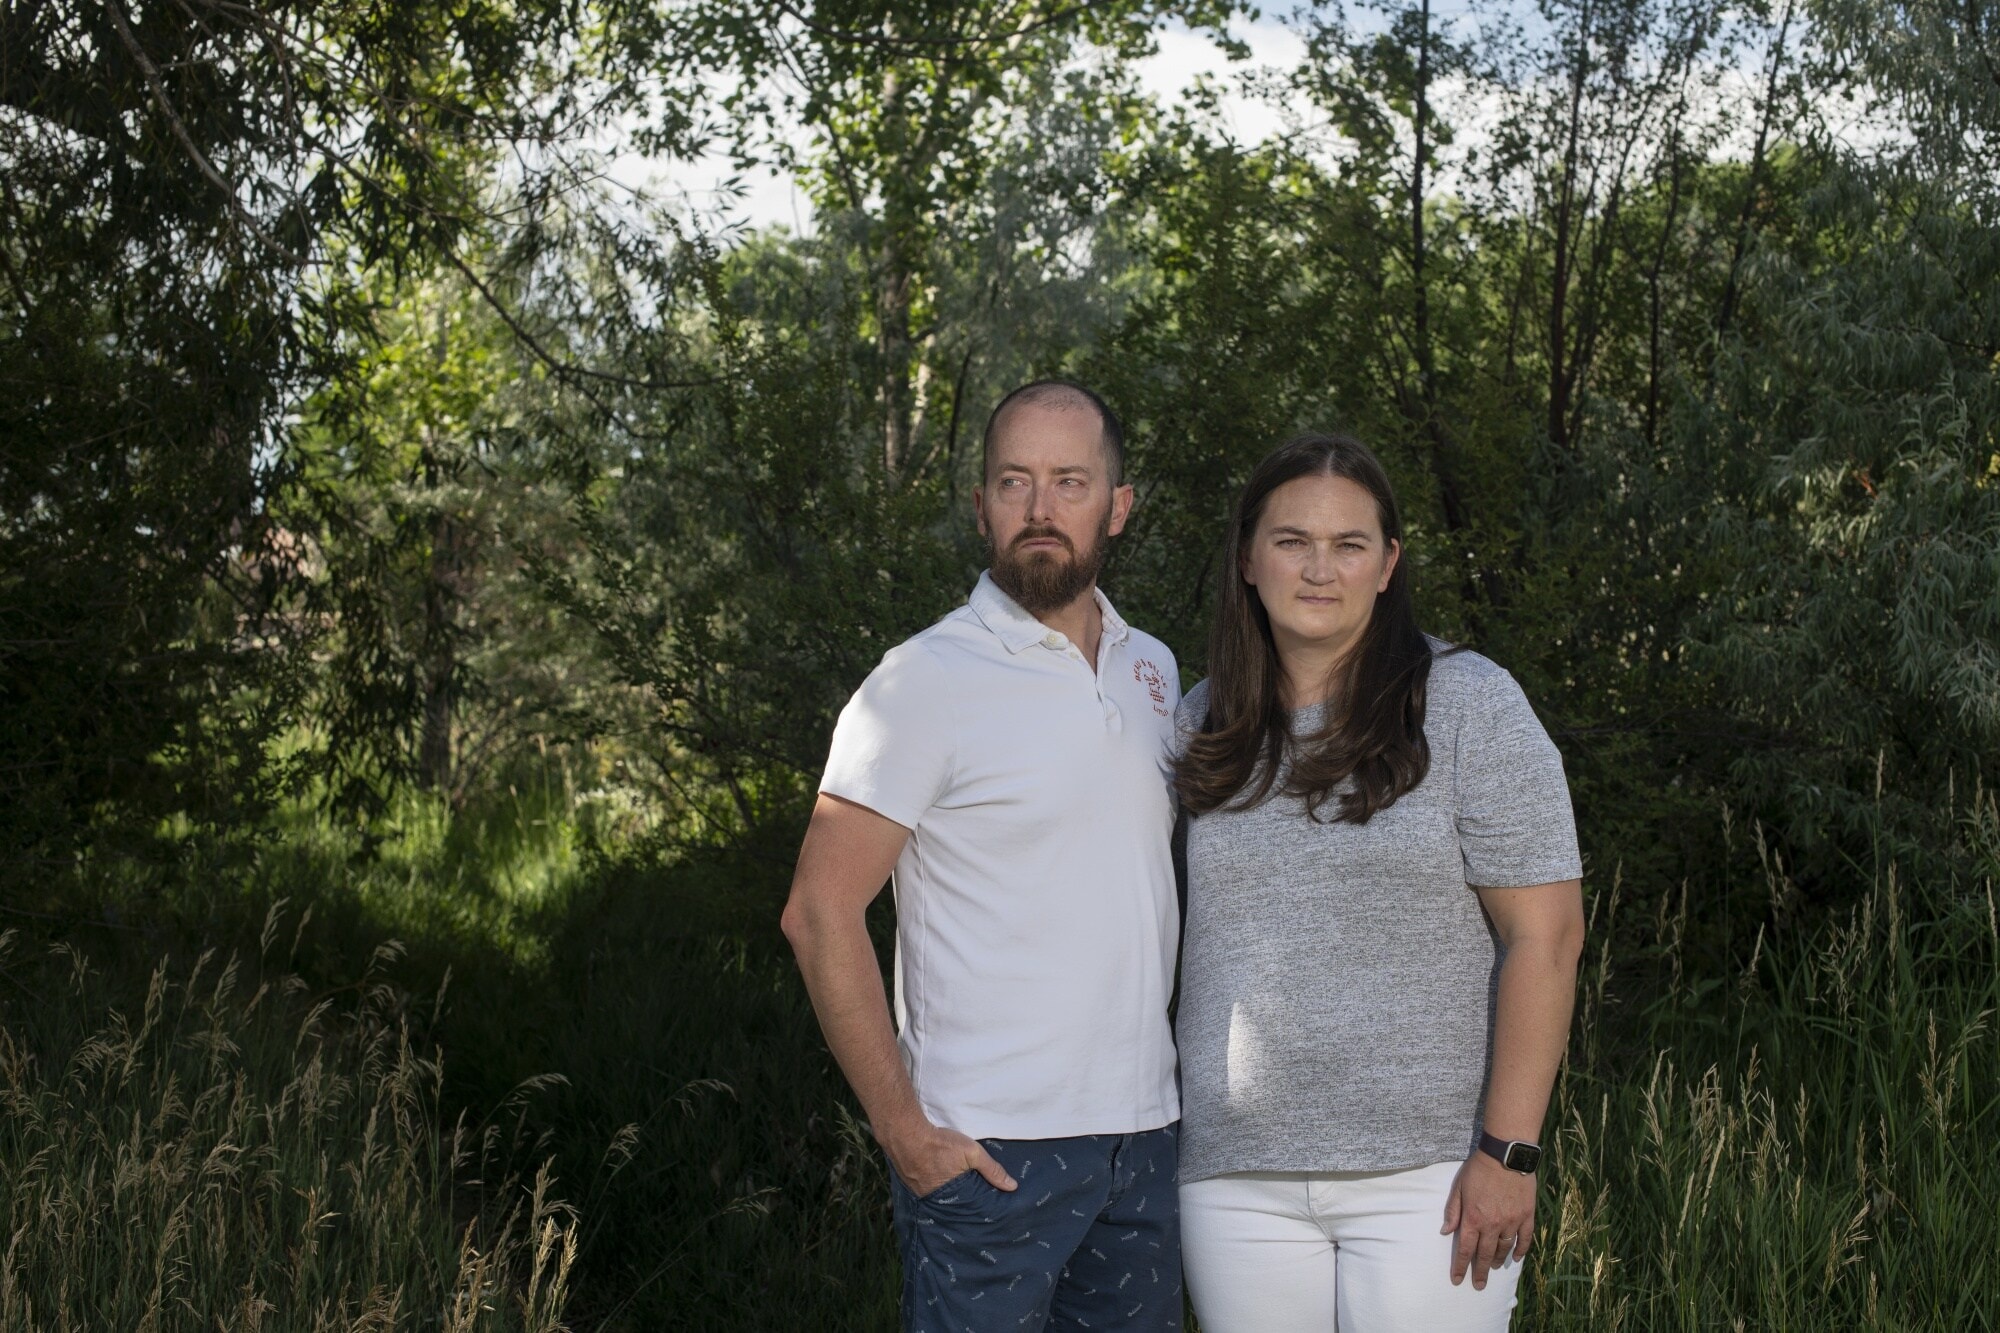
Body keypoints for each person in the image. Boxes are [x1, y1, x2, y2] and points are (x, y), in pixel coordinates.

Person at [781, 381, 1186, 1331]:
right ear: (981, 507)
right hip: (987, 1151)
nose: (1041, 508)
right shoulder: (922, 681)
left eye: (1070, 481)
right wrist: (903, 1131)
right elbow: (818, 912)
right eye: (1014, 482)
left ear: (1118, 506)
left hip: (1144, 1139)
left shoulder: (1154, 670)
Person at [1170, 432, 1586, 1331]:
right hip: (1235, 1175)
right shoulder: (1202, 719)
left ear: (1389, 562)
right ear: (1247, 557)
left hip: (1431, 1176)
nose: (1320, 568)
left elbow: (1547, 936)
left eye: (1349, 543)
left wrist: (1509, 1152)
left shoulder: (1470, 703)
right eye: (1292, 540)